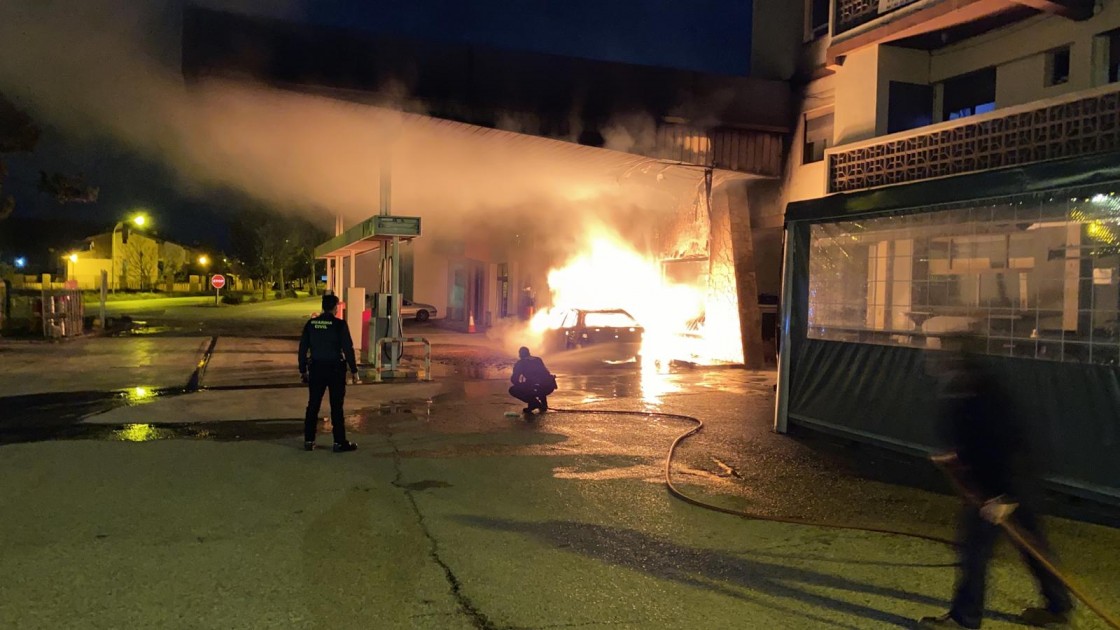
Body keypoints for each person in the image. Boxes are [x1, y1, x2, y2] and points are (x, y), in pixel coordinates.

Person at [919, 336, 1071, 629]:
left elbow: (1011, 445)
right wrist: (953, 456)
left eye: (943, 358)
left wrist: (1006, 496)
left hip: (1007, 485)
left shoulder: (989, 394)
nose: (936, 364)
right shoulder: (962, 389)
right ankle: (1058, 607)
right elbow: (966, 433)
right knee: (1030, 546)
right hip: (991, 485)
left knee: (977, 550)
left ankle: (965, 619)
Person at [298, 294, 360, 453]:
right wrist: (354, 370)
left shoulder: (311, 324)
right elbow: (348, 349)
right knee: (336, 407)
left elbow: (303, 349)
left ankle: (309, 440)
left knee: (313, 405)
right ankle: (339, 442)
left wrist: (303, 370)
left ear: (322, 306)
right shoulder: (339, 325)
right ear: (336, 307)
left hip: (316, 368)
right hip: (335, 370)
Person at [509, 346, 556, 414]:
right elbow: (543, 375)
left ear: (520, 354)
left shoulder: (520, 363)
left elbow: (514, 379)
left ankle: (534, 403)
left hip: (537, 387)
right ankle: (543, 404)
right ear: (529, 353)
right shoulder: (538, 359)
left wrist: (521, 386)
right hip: (549, 386)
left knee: (513, 390)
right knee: (537, 384)